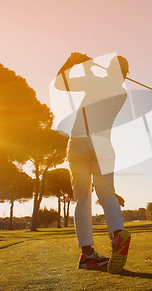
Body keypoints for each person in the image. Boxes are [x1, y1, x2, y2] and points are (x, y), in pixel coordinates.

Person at [54, 52, 131, 273]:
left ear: (108, 70)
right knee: (107, 193)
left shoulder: (97, 82)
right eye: (124, 73)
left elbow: (60, 83)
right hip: (102, 145)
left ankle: (87, 255)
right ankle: (117, 236)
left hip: (78, 143)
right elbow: (98, 86)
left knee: (82, 199)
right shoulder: (122, 93)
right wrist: (88, 68)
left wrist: (73, 63)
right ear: (123, 74)